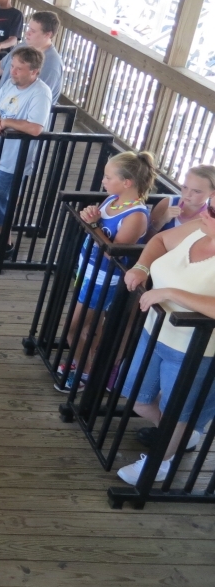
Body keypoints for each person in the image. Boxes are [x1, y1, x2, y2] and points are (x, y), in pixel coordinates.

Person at [117, 196, 215, 485]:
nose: (204, 212)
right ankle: (182, 433)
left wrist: (171, 293)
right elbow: (159, 241)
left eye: (212, 209)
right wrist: (142, 267)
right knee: (138, 399)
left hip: (195, 349)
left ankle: (161, 462)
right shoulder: (199, 226)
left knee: (177, 410)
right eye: (209, 204)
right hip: (155, 331)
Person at [56, 152, 155, 393]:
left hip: (104, 279)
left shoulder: (135, 215)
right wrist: (94, 217)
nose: (103, 180)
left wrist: (92, 224)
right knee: (90, 327)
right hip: (88, 269)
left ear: (127, 182)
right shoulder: (112, 200)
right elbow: (98, 227)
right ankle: (89, 365)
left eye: (108, 177)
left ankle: (84, 372)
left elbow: (114, 251)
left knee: (73, 328)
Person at [0, 47, 53, 255]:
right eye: (12, 66)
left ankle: (6, 242)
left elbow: (36, 127)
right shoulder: (10, 84)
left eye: (19, 69)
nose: (12, 72)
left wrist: (6, 121)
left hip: (16, 157)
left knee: (4, 197)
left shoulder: (41, 93)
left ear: (34, 72)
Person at [147, 165, 215, 239]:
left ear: (212, 194)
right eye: (185, 187)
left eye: (196, 191)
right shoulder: (167, 203)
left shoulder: (210, 219)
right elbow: (146, 239)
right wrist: (162, 220)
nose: (187, 194)